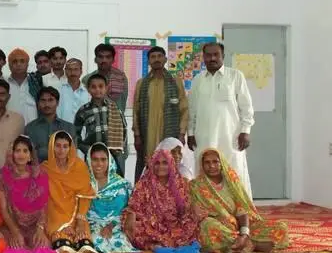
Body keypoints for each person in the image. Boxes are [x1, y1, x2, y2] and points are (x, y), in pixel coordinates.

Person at [188, 42, 255, 197]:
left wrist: (245, 131)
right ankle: (208, 209)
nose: (212, 58)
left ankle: (239, 209)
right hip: (204, 137)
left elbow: (246, 107)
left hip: (231, 137)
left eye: (216, 54)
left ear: (223, 56)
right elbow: (192, 109)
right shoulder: (198, 80)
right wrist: (190, 133)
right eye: (208, 55)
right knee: (205, 172)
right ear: (203, 57)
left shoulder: (235, 76)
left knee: (234, 172)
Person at [191, 149, 288, 253]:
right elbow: (199, 213)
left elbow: (242, 210)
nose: (212, 166)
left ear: (222, 163)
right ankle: (252, 244)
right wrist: (221, 217)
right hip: (219, 227)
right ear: (202, 165)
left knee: (281, 227)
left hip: (240, 225)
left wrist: (244, 233)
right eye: (207, 162)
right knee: (208, 225)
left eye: (215, 161)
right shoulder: (196, 186)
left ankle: (242, 242)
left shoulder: (232, 181)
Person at [123, 149, 199, 251]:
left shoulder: (180, 183)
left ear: (171, 164)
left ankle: (160, 244)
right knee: (133, 224)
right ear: (152, 164)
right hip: (150, 225)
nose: (160, 167)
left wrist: (192, 211)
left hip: (173, 226)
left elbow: (185, 208)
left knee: (191, 223)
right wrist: (132, 215)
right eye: (157, 163)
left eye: (165, 163)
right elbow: (134, 206)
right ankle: (156, 244)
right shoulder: (143, 183)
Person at [133, 46, 189, 181]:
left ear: (165, 59)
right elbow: (136, 110)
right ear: (148, 61)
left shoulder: (175, 82)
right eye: (153, 57)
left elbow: (184, 108)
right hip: (148, 136)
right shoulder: (142, 83)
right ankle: (147, 192)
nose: (156, 59)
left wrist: (182, 133)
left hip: (170, 134)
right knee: (148, 165)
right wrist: (137, 135)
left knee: (170, 165)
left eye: (159, 56)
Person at [0, 136, 55, 253]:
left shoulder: (40, 175)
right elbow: (4, 209)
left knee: (42, 248)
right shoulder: (3, 176)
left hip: (35, 226)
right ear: (12, 154)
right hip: (13, 225)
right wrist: (15, 232)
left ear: (30, 156)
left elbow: (44, 205)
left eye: (25, 151)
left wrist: (40, 230)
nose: (21, 155)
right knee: (15, 249)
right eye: (17, 151)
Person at [42, 131, 98, 253]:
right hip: (54, 216)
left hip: (77, 215)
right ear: (51, 147)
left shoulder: (79, 166)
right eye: (58, 146)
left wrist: (80, 222)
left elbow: (85, 196)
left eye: (65, 146)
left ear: (70, 148)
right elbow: (43, 200)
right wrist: (61, 223)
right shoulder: (44, 169)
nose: (61, 150)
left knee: (85, 248)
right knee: (64, 249)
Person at [85, 143, 137, 253]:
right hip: (90, 225)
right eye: (95, 159)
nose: (99, 164)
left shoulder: (121, 185)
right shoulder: (83, 183)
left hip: (116, 225)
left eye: (103, 160)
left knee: (120, 242)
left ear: (110, 161)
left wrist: (111, 226)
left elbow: (127, 210)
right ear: (89, 160)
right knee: (93, 240)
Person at [74, 74, 128, 176]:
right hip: (92, 156)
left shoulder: (114, 108)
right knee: (91, 182)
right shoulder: (83, 111)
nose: (97, 90)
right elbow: (75, 134)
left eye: (101, 86)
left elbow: (123, 129)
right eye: (93, 87)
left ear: (106, 88)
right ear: (88, 89)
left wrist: (118, 148)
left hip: (112, 155)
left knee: (113, 182)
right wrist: (87, 149)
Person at [25, 86, 75, 162]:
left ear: (57, 103)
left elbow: (72, 155)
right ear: (38, 103)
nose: (47, 104)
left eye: (51, 100)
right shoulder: (30, 128)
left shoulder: (69, 128)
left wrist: (41, 151)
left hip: (63, 169)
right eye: (43, 100)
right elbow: (28, 155)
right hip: (38, 169)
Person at [83, 44, 129, 112]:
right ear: (95, 60)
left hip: (116, 117)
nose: (104, 60)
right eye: (100, 57)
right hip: (94, 117)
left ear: (113, 60)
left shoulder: (121, 78)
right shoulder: (87, 79)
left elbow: (122, 102)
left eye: (108, 57)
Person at [7, 48, 40, 124]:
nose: (18, 64)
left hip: (34, 129)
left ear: (27, 64)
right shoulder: (4, 86)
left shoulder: (36, 84)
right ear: (9, 65)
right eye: (14, 61)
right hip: (9, 129)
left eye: (22, 61)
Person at [58, 58, 91, 123]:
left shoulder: (88, 92)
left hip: (83, 128)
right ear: (65, 71)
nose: (73, 73)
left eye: (76, 69)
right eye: (69, 69)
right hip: (62, 128)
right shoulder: (58, 89)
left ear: (81, 71)